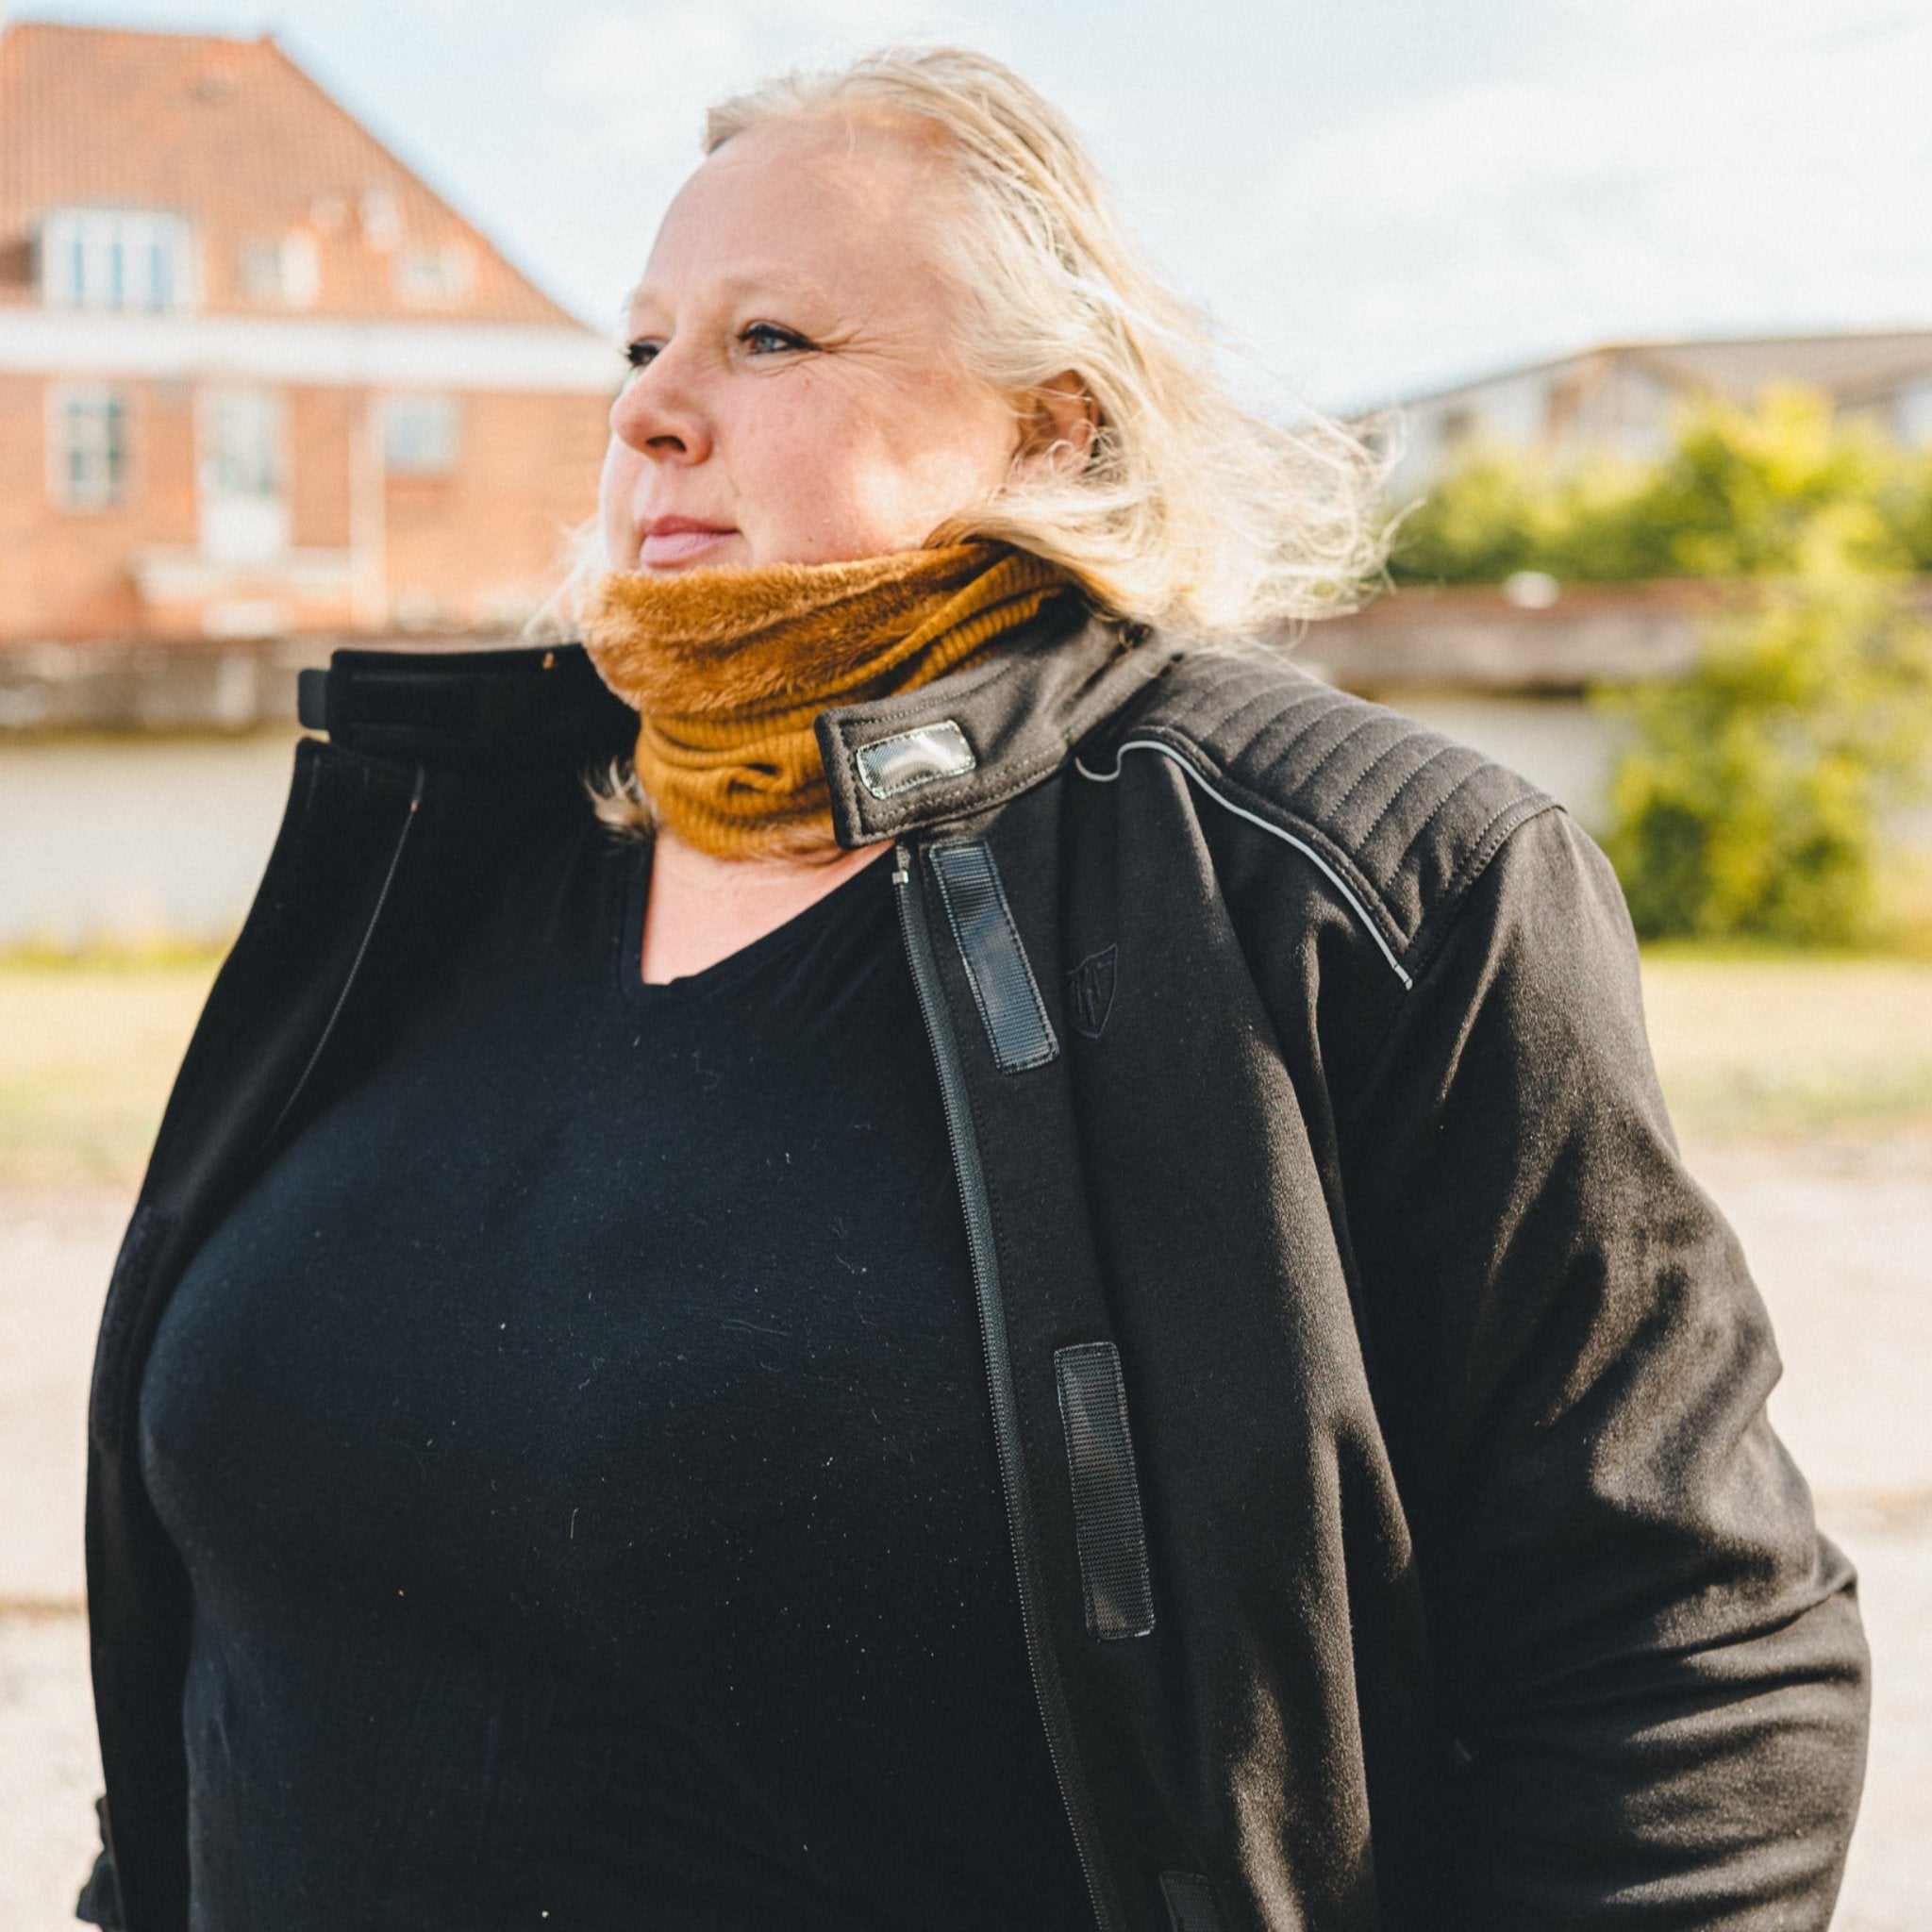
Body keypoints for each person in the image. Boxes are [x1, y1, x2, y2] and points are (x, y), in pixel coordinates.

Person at [79, 44, 1866, 1932]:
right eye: (638, 347)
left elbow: (1691, 1672)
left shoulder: (1367, 886)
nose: (656, 414)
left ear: (1054, 429)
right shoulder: (450, 850)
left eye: (771, 339)